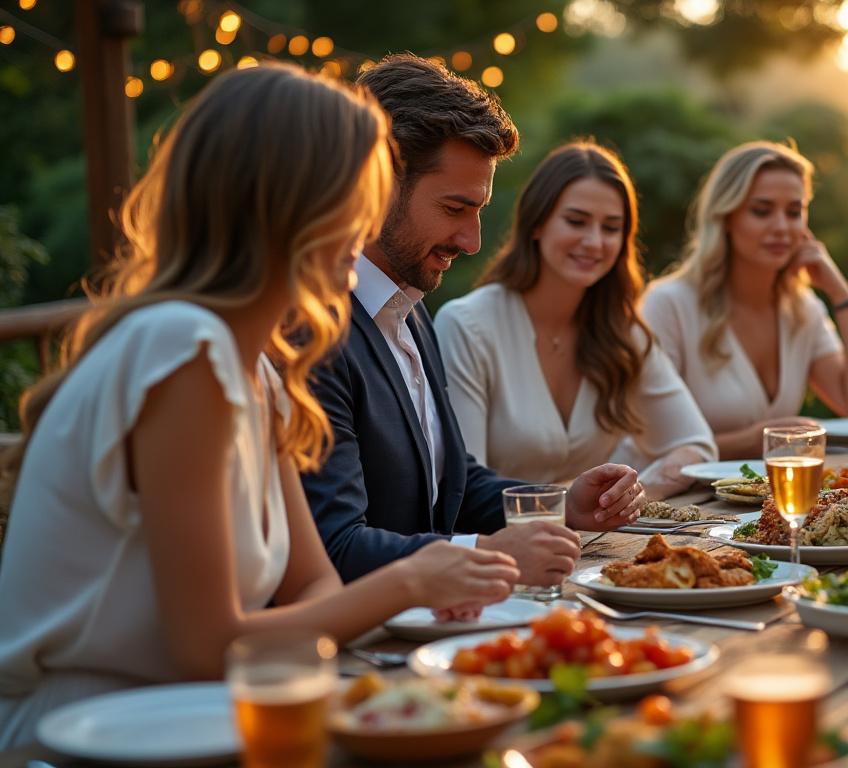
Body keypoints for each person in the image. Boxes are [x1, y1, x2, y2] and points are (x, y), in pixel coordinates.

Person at [0, 65, 523, 747]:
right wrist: (414, 581)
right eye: (355, 198)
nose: (366, 227)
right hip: (86, 736)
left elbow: (313, 586)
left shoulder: (263, 374)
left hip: (206, 716)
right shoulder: (182, 349)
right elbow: (208, 646)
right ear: (284, 205)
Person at [301, 56, 645, 586]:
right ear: (377, 186)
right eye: (454, 209)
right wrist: (488, 552)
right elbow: (336, 546)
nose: (472, 241)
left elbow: (453, 485)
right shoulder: (312, 332)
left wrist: (559, 503)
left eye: (478, 211)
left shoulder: (409, 309)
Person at [435, 142, 716, 500]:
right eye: (576, 221)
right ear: (536, 224)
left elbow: (696, 446)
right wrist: (569, 504)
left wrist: (631, 494)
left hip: (599, 544)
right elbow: (462, 490)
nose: (594, 242)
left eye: (611, 228)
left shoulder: (622, 331)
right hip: (499, 546)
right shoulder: (467, 326)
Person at [641, 141, 848, 460]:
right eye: (762, 211)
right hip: (670, 499)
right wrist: (759, 439)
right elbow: (655, 445)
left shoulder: (802, 309)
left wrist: (841, 295)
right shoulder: (668, 304)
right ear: (726, 217)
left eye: (794, 212)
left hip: (762, 501)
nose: (782, 227)